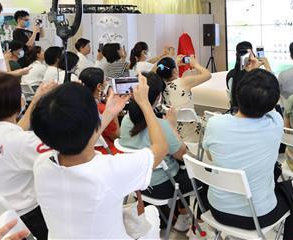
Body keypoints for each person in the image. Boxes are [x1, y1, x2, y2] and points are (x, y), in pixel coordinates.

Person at [31, 75, 168, 240]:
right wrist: (145, 103)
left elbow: (78, 141)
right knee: (151, 214)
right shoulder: (110, 171)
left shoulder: (41, 165)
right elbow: (161, 148)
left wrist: (108, 113)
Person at [203, 69, 293, 240]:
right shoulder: (275, 123)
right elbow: (272, 104)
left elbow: (210, 157)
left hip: (218, 210)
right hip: (258, 216)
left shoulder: (215, 124)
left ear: (237, 93)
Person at [0, 73, 55, 238]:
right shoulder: (25, 142)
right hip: (24, 221)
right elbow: (65, 156)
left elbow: (9, 136)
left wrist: (36, 100)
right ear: (18, 102)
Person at [119, 72, 194, 232]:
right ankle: (185, 219)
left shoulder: (126, 120)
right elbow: (183, 155)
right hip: (160, 186)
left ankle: (177, 215)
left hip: (135, 181)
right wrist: (172, 127)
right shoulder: (162, 125)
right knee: (197, 176)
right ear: (159, 97)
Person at [157, 55, 211, 141]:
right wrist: (196, 64)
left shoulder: (161, 86)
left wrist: (175, 64)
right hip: (192, 132)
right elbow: (207, 75)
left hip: (174, 130)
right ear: (174, 71)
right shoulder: (183, 82)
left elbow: (171, 75)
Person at [80, 67, 120, 154]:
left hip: (82, 150)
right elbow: (116, 136)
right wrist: (114, 112)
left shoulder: (76, 105)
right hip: (103, 151)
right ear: (99, 86)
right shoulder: (102, 109)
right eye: (104, 83)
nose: (106, 84)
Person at [226, 41, 271, 110]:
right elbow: (271, 91)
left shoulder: (231, 75)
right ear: (252, 55)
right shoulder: (258, 76)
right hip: (256, 111)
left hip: (237, 111)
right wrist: (267, 67)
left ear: (236, 55)